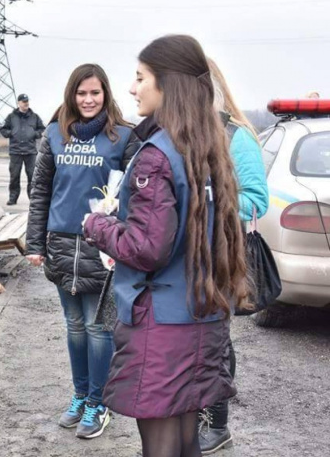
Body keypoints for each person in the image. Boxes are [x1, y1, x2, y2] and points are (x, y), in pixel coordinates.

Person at [83, 34, 251, 457]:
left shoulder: (157, 154)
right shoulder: (209, 148)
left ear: (166, 85)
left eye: (140, 78)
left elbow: (148, 248)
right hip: (203, 313)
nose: (132, 88)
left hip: (162, 326)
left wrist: (97, 225)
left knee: (161, 446)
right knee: (186, 439)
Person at [25, 64, 138, 439]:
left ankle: (98, 402)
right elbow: (41, 190)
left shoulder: (123, 137)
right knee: (74, 327)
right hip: (59, 246)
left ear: (106, 94)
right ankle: (79, 395)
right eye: (81, 93)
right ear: (71, 95)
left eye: (95, 92)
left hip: (101, 249)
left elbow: (136, 197)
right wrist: (35, 243)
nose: (88, 100)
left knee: (97, 327)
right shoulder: (56, 135)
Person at [197, 58, 269, 455]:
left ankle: (217, 422)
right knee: (192, 341)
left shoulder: (236, 135)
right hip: (184, 259)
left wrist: (206, 207)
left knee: (215, 342)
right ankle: (194, 410)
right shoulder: (177, 134)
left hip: (220, 257)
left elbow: (256, 201)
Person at [0, 93, 45, 205]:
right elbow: (3, 129)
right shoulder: (11, 117)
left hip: (30, 152)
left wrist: (35, 134)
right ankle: (13, 198)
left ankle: (33, 199)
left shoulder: (35, 117)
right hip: (15, 151)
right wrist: (11, 133)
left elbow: (43, 129)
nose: (26, 103)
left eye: (27, 101)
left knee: (32, 177)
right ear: (18, 103)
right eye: (24, 102)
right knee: (14, 176)